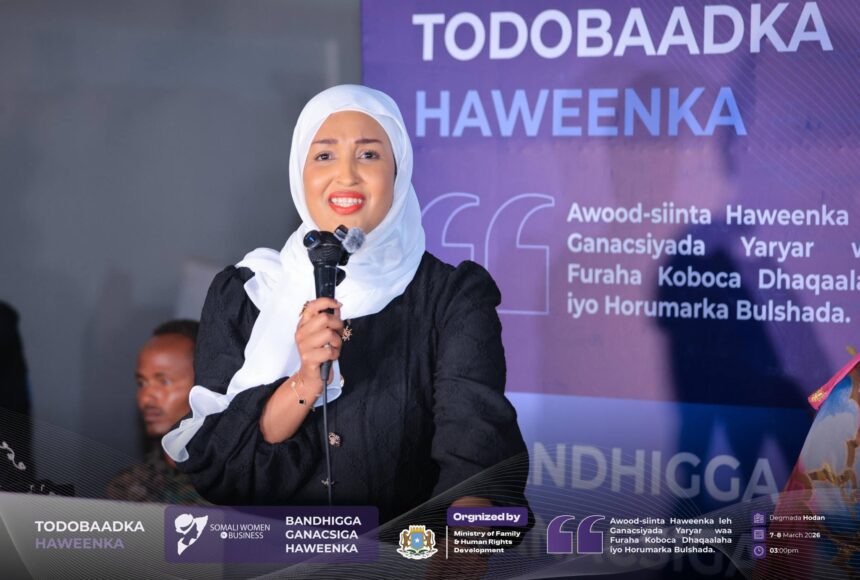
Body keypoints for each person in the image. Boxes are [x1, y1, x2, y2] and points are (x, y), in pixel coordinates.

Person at [162, 85, 529, 524]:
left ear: (399, 170)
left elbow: (475, 450)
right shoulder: (248, 292)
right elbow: (220, 466)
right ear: (300, 172)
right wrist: (303, 382)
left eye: (369, 154)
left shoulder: (451, 297)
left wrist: (461, 540)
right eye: (324, 155)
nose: (347, 175)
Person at [107, 319, 205, 504]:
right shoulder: (129, 486)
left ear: (205, 385)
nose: (146, 398)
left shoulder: (239, 484)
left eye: (164, 382)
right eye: (142, 383)